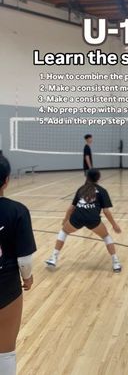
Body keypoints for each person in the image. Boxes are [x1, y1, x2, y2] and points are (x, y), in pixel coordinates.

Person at [0, 155, 36, 375]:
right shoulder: (17, 211)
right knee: (5, 351)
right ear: (6, 181)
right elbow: (24, 260)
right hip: (6, 287)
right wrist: (28, 278)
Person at [46, 168, 122, 272]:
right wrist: (114, 225)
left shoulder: (81, 189)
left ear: (87, 177)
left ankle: (53, 258)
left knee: (64, 231)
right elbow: (106, 211)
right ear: (98, 178)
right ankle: (116, 263)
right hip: (93, 219)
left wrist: (65, 220)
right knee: (106, 236)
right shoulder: (102, 191)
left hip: (78, 217)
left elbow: (71, 208)